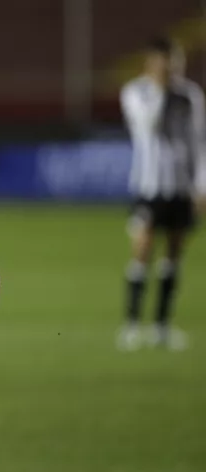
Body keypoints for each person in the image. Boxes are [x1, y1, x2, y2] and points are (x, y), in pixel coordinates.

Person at [118, 37, 206, 351]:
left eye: (174, 62)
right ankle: (131, 325)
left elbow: (198, 142)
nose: (170, 69)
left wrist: (202, 186)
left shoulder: (191, 96)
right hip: (147, 187)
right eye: (164, 62)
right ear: (150, 63)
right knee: (142, 250)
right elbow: (148, 124)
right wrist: (160, 90)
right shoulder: (136, 92)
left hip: (180, 187)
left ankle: (161, 327)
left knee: (173, 255)